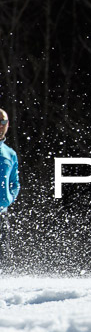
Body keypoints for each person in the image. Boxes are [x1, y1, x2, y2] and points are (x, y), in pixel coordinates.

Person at [0, 109, 20, 264]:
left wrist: (9, 198)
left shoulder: (10, 153)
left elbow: (15, 183)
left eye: (4, 122)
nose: (1, 125)